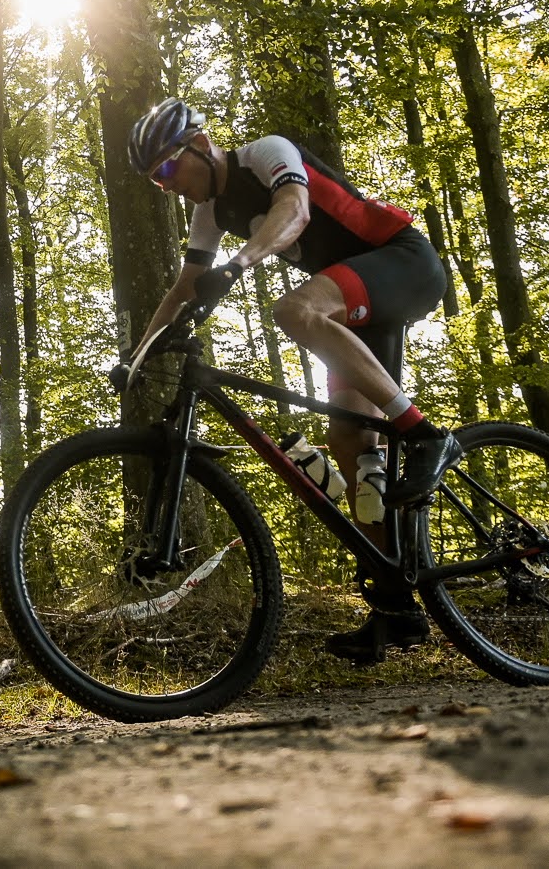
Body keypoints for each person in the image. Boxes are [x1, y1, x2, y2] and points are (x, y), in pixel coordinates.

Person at [124, 96, 456, 664]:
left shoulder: (265, 154)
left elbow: (295, 213)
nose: (168, 184)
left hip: (402, 261)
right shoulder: (210, 213)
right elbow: (184, 288)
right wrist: (139, 354)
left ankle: (426, 435)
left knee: (293, 310)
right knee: (352, 450)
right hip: (358, 306)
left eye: (170, 168)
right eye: (157, 180)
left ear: (201, 144)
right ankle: (397, 609)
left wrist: (242, 262)